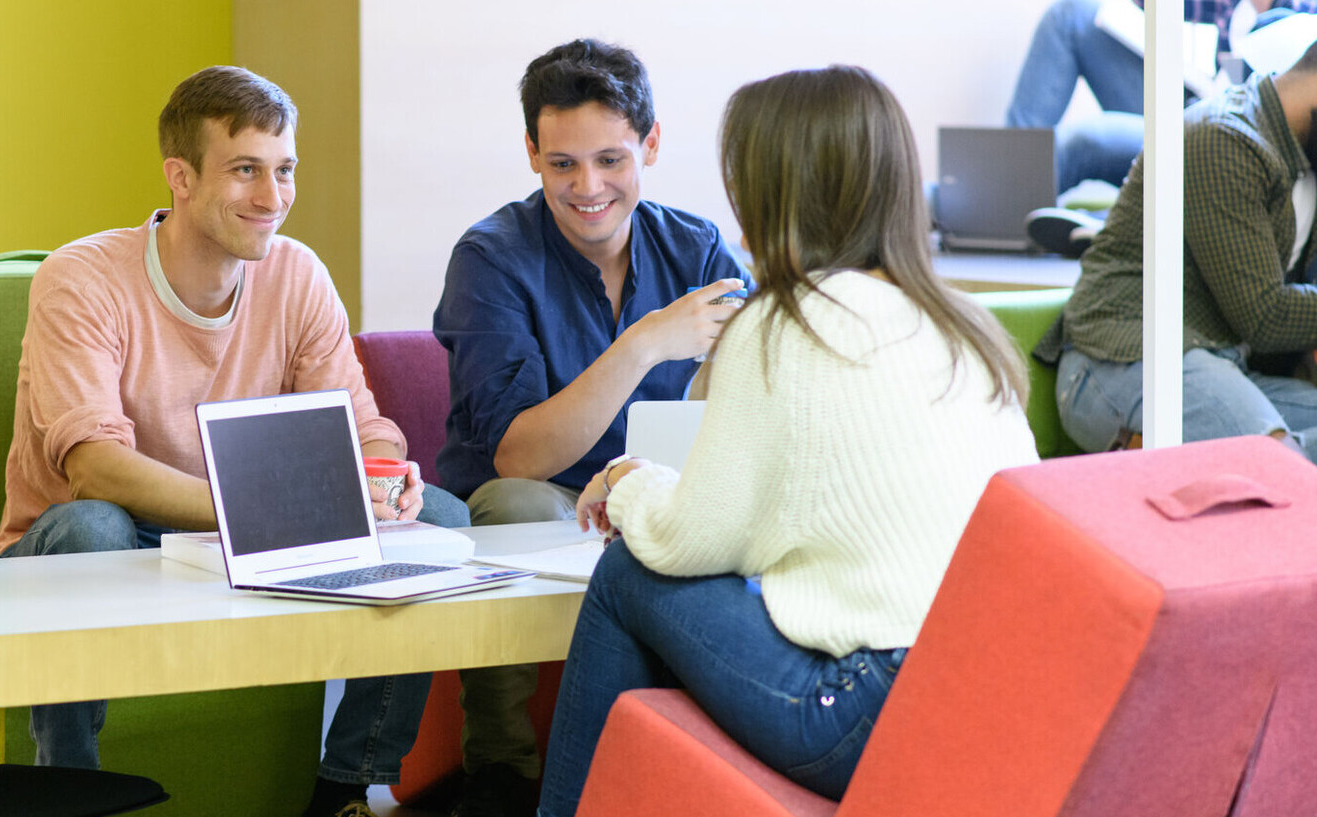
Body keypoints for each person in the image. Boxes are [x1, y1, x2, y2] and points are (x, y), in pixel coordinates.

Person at [537, 65, 1040, 816]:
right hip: (990, 707)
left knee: (627, 570)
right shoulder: (960, 324)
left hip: (862, 713)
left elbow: (688, 541)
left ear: (777, 189)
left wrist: (626, 482)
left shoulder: (787, 323)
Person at [0, 65, 469, 817]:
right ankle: (66, 788)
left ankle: (349, 787)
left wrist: (384, 473)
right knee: (93, 528)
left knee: (441, 517)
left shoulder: (297, 274)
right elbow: (95, 471)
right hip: (109, 533)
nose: (273, 199)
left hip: (247, 531)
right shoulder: (80, 278)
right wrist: (256, 510)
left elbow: (359, 423)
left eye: (284, 170)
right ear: (180, 176)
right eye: (245, 171)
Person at [429, 39, 748, 817]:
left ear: (651, 144)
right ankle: (501, 772)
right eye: (563, 164)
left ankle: (684, 767)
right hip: (534, 497)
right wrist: (643, 345)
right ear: (532, 153)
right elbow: (521, 454)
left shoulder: (697, 246)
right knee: (519, 502)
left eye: (611, 159)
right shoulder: (491, 258)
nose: (589, 187)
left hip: (651, 490)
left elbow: (753, 387)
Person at [1036, 28, 1317, 461]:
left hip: (1223, 367)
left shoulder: (1305, 161)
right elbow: (1267, 316)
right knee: (1276, 469)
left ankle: (1180, 462)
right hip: (1125, 359)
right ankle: (1172, 463)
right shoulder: (1224, 137)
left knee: (1278, 467)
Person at [1012, 0, 1317, 255]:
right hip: (1184, 106)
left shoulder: (1301, 14)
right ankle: (1006, 194)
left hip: (1229, 140)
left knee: (1084, 141)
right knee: (1072, 14)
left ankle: (1113, 227)